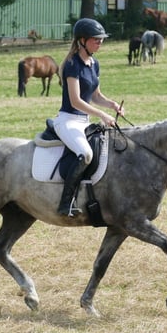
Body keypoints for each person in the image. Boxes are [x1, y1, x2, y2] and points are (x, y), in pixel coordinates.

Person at [53, 18, 125, 216]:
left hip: (83, 121)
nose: (100, 42)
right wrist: (102, 114)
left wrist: (112, 105)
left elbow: (95, 95)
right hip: (68, 120)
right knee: (86, 155)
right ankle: (66, 202)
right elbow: (76, 101)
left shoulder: (94, 63)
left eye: (101, 39)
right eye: (96, 39)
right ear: (82, 40)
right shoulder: (71, 64)